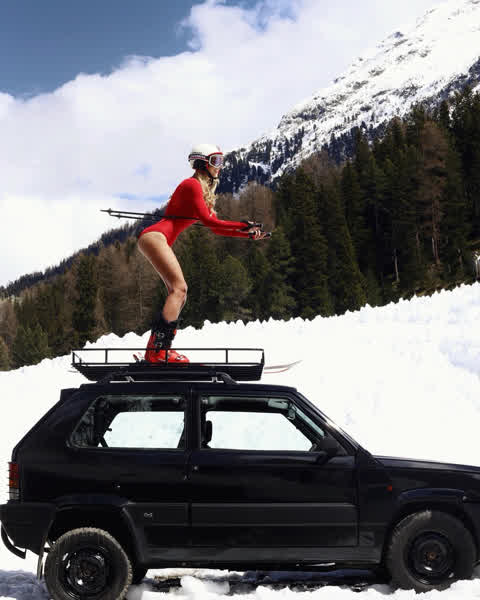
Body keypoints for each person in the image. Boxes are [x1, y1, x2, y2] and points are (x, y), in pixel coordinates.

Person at [137, 143, 268, 364]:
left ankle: (157, 350)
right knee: (179, 289)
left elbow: (216, 228)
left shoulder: (200, 190)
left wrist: (246, 234)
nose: (220, 166)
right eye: (215, 161)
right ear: (201, 163)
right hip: (155, 236)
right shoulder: (191, 185)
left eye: (221, 161)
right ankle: (157, 352)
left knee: (179, 293)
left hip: (158, 238)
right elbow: (209, 221)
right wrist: (242, 225)